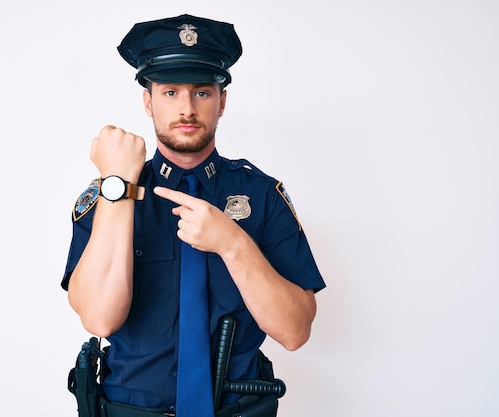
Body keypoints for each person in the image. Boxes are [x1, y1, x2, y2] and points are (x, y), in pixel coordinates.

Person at [62, 14, 326, 417]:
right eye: (170, 92)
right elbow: (99, 318)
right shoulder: (108, 196)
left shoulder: (261, 195)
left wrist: (234, 244)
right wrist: (117, 185)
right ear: (147, 101)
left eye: (202, 92)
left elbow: (294, 332)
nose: (186, 108)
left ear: (223, 101)